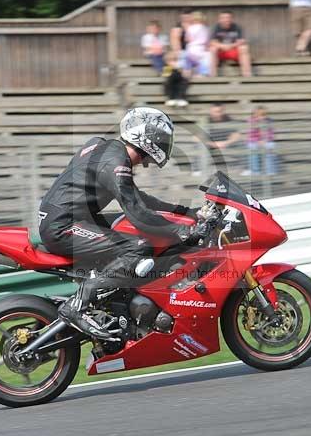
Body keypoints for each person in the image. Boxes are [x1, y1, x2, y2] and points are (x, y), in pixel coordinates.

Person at [38, 107, 200, 339]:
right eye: (161, 140)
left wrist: (185, 213)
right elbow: (139, 214)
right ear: (147, 138)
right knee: (138, 247)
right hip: (63, 226)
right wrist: (181, 231)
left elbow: (138, 199)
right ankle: (79, 304)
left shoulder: (107, 149)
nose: (164, 145)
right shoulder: (115, 161)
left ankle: (115, 303)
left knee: (128, 230)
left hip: (66, 219)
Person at [193, 103, 242, 176]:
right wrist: (212, 144)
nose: (218, 114)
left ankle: (240, 169)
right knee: (198, 146)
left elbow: (237, 135)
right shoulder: (204, 121)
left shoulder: (229, 120)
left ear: (223, 111)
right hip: (209, 145)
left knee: (241, 144)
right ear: (211, 112)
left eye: (220, 111)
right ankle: (197, 170)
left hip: (225, 145)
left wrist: (226, 142)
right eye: (215, 112)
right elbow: (195, 138)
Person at [209, 11, 252, 77]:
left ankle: (247, 75)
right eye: (223, 18)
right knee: (212, 49)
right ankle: (213, 76)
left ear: (231, 19)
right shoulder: (216, 27)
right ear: (220, 19)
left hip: (233, 51)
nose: (226, 19)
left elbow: (242, 41)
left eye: (228, 17)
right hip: (221, 52)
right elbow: (212, 42)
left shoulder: (236, 27)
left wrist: (230, 46)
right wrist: (222, 46)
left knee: (244, 48)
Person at [243, 105, 277, 176]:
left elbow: (271, 134)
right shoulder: (251, 122)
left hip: (266, 141)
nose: (261, 117)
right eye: (258, 115)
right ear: (254, 114)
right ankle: (255, 171)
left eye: (264, 115)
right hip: (253, 142)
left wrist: (265, 140)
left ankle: (270, 171)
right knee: (253, 148)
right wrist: (258, 141)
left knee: (270, 148)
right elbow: (250, 135)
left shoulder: (268, 121)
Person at [183, 11, 211, 77]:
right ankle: (202, 73)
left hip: (191, 48)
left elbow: (187, 39)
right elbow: (207, 41)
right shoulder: (205, 28)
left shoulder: (190, 27)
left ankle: (187, 74)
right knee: (204, 59)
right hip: (201, 49)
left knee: (188, 61)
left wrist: (186, 29)